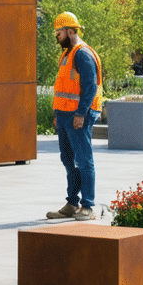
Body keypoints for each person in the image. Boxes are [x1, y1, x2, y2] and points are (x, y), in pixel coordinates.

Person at [47, 12, 103, 221]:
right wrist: (57, 115)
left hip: (78, 116)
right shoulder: (67, 54)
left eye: (59, 33)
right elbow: (63, 87)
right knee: (69, 159)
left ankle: (87, 205)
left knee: (84, 160)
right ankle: (72, 203)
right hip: (64, 116)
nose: (57, 37)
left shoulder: (82, 54)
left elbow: (89, 87)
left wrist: (81, 114)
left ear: (71, 32)